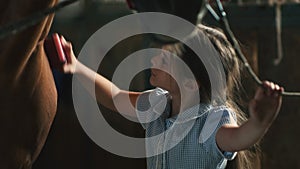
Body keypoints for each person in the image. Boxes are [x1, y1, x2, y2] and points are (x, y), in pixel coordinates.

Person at [57, 24, 283, 169]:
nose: (154, 61)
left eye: (165, 60)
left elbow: (241, 137)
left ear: (190, 82)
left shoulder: (210, 125)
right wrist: (76, 66)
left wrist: (260, 122)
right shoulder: (157, 106)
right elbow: (115, 96)